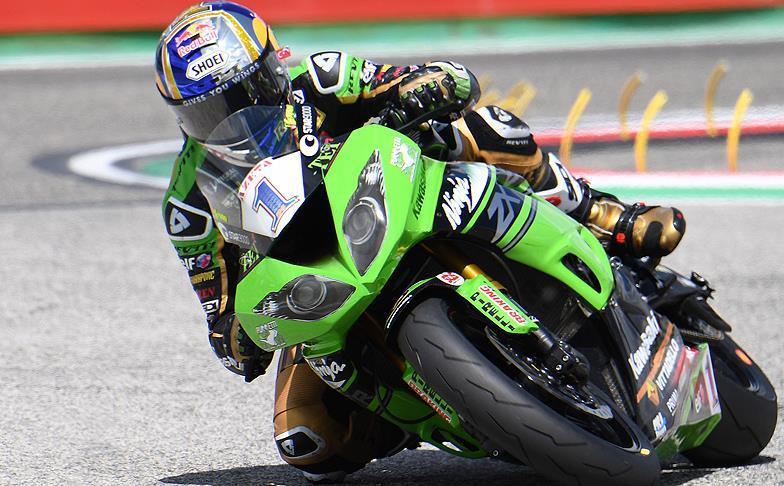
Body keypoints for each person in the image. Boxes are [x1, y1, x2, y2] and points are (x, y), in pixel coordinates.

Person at [156, 2, 686, 482]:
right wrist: (241, 337)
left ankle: (599, 212)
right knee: (308, 442)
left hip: (387, 196)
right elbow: (222, 321)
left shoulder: (321, 79)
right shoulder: (188, 207)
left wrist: (430, 86)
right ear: (183, 118)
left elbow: (426, 79)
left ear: (275, 66)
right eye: (211, 112)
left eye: (247, 94)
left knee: (482, 128)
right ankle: (441, 408)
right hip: (316, 282)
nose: (238, 119)